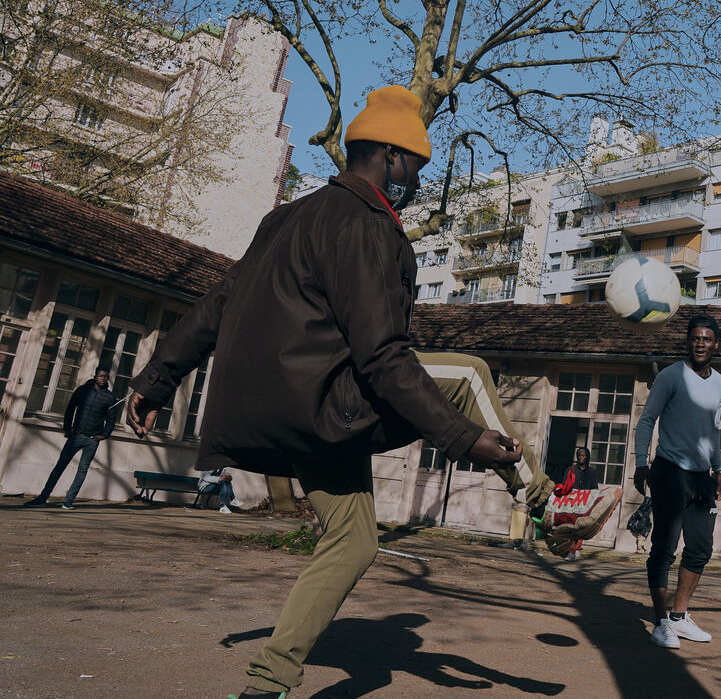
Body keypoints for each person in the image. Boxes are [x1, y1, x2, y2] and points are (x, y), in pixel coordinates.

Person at [125, 85, 523, 699]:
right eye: (414, 165)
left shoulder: (285, 216)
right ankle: (547, 501)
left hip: (285, 409)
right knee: (467, 373)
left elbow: (219, 303)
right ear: (390, 154)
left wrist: (157, 379)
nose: (416, 180)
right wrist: (464, 439)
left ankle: (267, 684)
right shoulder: (367, 226)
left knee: (353, 541)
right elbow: (382, 356)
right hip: (324, 403)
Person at [633, 313, 721, 649]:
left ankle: (678, 616)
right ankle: (661, 623)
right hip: (670, 471)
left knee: (700, 549)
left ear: (716, 344)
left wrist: (719, 468)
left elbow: (712, 430)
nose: (700, 344)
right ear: (688, 342)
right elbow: (647, 420)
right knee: (664, 548)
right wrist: (640, 463)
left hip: (701, 477)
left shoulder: (720, 383)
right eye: (695, 338)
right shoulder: (671, 376)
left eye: (706, 339)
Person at [25, 367, 117, 510]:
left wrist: (105, 435)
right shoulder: (82, 391)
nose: (103, 378)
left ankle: (68, 502)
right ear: (95, 376)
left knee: (82, 470)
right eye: (100, 376)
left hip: (92, 439)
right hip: (76, 436)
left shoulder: (110, 397)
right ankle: (42, 498)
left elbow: (111, 419)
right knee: (60, 466)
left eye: (105, 376)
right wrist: (67, 429)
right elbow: (70, 409)